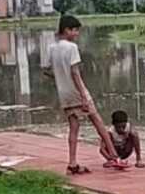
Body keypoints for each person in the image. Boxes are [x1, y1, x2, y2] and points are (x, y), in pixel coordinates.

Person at [42, 14, 124, 175]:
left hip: (64, 93)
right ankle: (114, 156)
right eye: (75, 30)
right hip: (77, 91)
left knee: (74, 127)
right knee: (97, 121)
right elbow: (75, 73)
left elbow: (46, 70)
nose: (77, 34)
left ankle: (72, 162)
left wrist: (59, 77)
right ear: (66, 30)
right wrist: (84, 96)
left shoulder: (51, 48)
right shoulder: (71, 48)